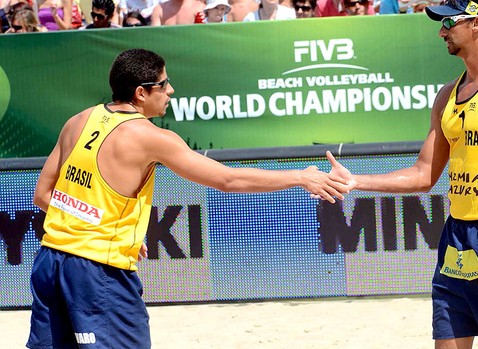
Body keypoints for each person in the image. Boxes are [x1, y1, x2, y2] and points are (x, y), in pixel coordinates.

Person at [28, 48, 348, 349]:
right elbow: (227, 179)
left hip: (50, 262)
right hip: (98, 273)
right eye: (164, 84)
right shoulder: (150, 137)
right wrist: (301, 177)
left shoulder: (78, 121)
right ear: (141, 92)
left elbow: (43, 195)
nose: (171, 90)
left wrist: (106, 228)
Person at [323, 0, 478, 348]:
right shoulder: (447, 95)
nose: (442, 31)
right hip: (457, 237)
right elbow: (424, 173)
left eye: (449, 22)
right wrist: (356, 181)